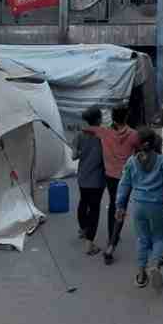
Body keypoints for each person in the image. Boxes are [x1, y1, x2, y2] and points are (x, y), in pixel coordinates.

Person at [116, 127, 163, 292]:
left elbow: (124, 185)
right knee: (158, 237)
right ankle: (156, 266)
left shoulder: (131, 161)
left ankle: (141, 275)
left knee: (142, 239)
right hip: (157, 204)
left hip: (138, 205)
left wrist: (120, 205)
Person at [86, 104, 139, 265]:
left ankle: (112, 235)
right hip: (126, 177)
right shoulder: (134, 135)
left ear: (113, 118)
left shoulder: (104, 132)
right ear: (127, 116)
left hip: (110, 175)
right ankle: (111, 244)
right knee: (120, 207)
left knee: (113, 203)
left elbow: (88, 129)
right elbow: (140, 149)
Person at [71, 107, 107, 256]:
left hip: (83, 177)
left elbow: (73, 156)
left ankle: (83, 229)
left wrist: (80, 152)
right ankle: (89, 244)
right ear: (98, 120)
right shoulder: (104, 135)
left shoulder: (79, 135)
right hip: (97, 180)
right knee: (94, 209)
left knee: (83, 202)